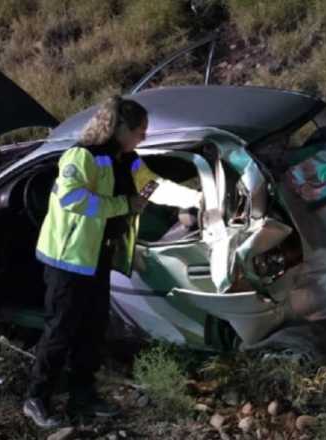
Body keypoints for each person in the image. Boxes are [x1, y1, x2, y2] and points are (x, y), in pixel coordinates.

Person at [23, 96, 200, 428]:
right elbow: (71, 198)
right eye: (140, 130)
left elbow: (153, 186)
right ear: (118, 128)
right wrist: (123, 204)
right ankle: (37, 397)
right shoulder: (81, 156)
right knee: (61, 330)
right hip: (67, 261)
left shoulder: (128, 159)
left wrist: (199, 199)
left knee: (92, 330)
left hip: (97, 257)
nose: (144, 137)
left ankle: (83, 396)